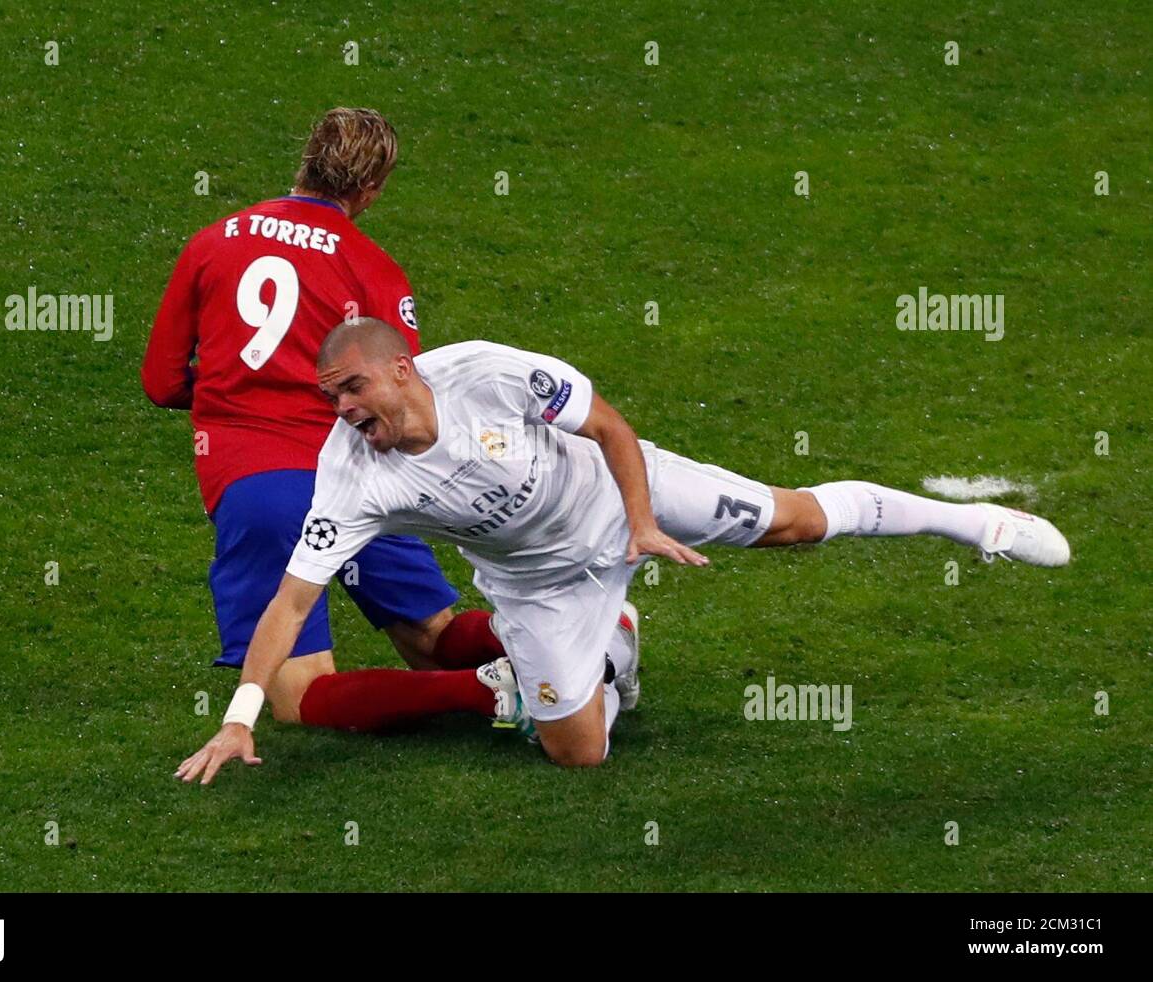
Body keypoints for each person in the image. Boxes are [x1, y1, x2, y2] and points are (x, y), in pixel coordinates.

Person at [176, 319, 1070, 782]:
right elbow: (290, 605)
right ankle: (614, 641)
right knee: (579, 757)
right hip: (535, 588)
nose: (344, 411)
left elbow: (607, 426)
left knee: (790, 522)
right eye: (331, 398)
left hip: (619, 495)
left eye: (353, 389)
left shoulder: (486, 372)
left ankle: (976, 526)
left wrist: (642, 523)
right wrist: (241, 716)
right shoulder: (350, 475)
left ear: (403, 367)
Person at [142, 109, 504, 730]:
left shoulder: (212, 241)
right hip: (366, 479)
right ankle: (586, 640)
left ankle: (495, 697)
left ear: (305, 158)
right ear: (372, 187)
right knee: (430, 635)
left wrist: (235, 394)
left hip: (260, 486)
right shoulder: (371, 265)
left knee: (301, 695)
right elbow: (402, 397)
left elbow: (162, 381)